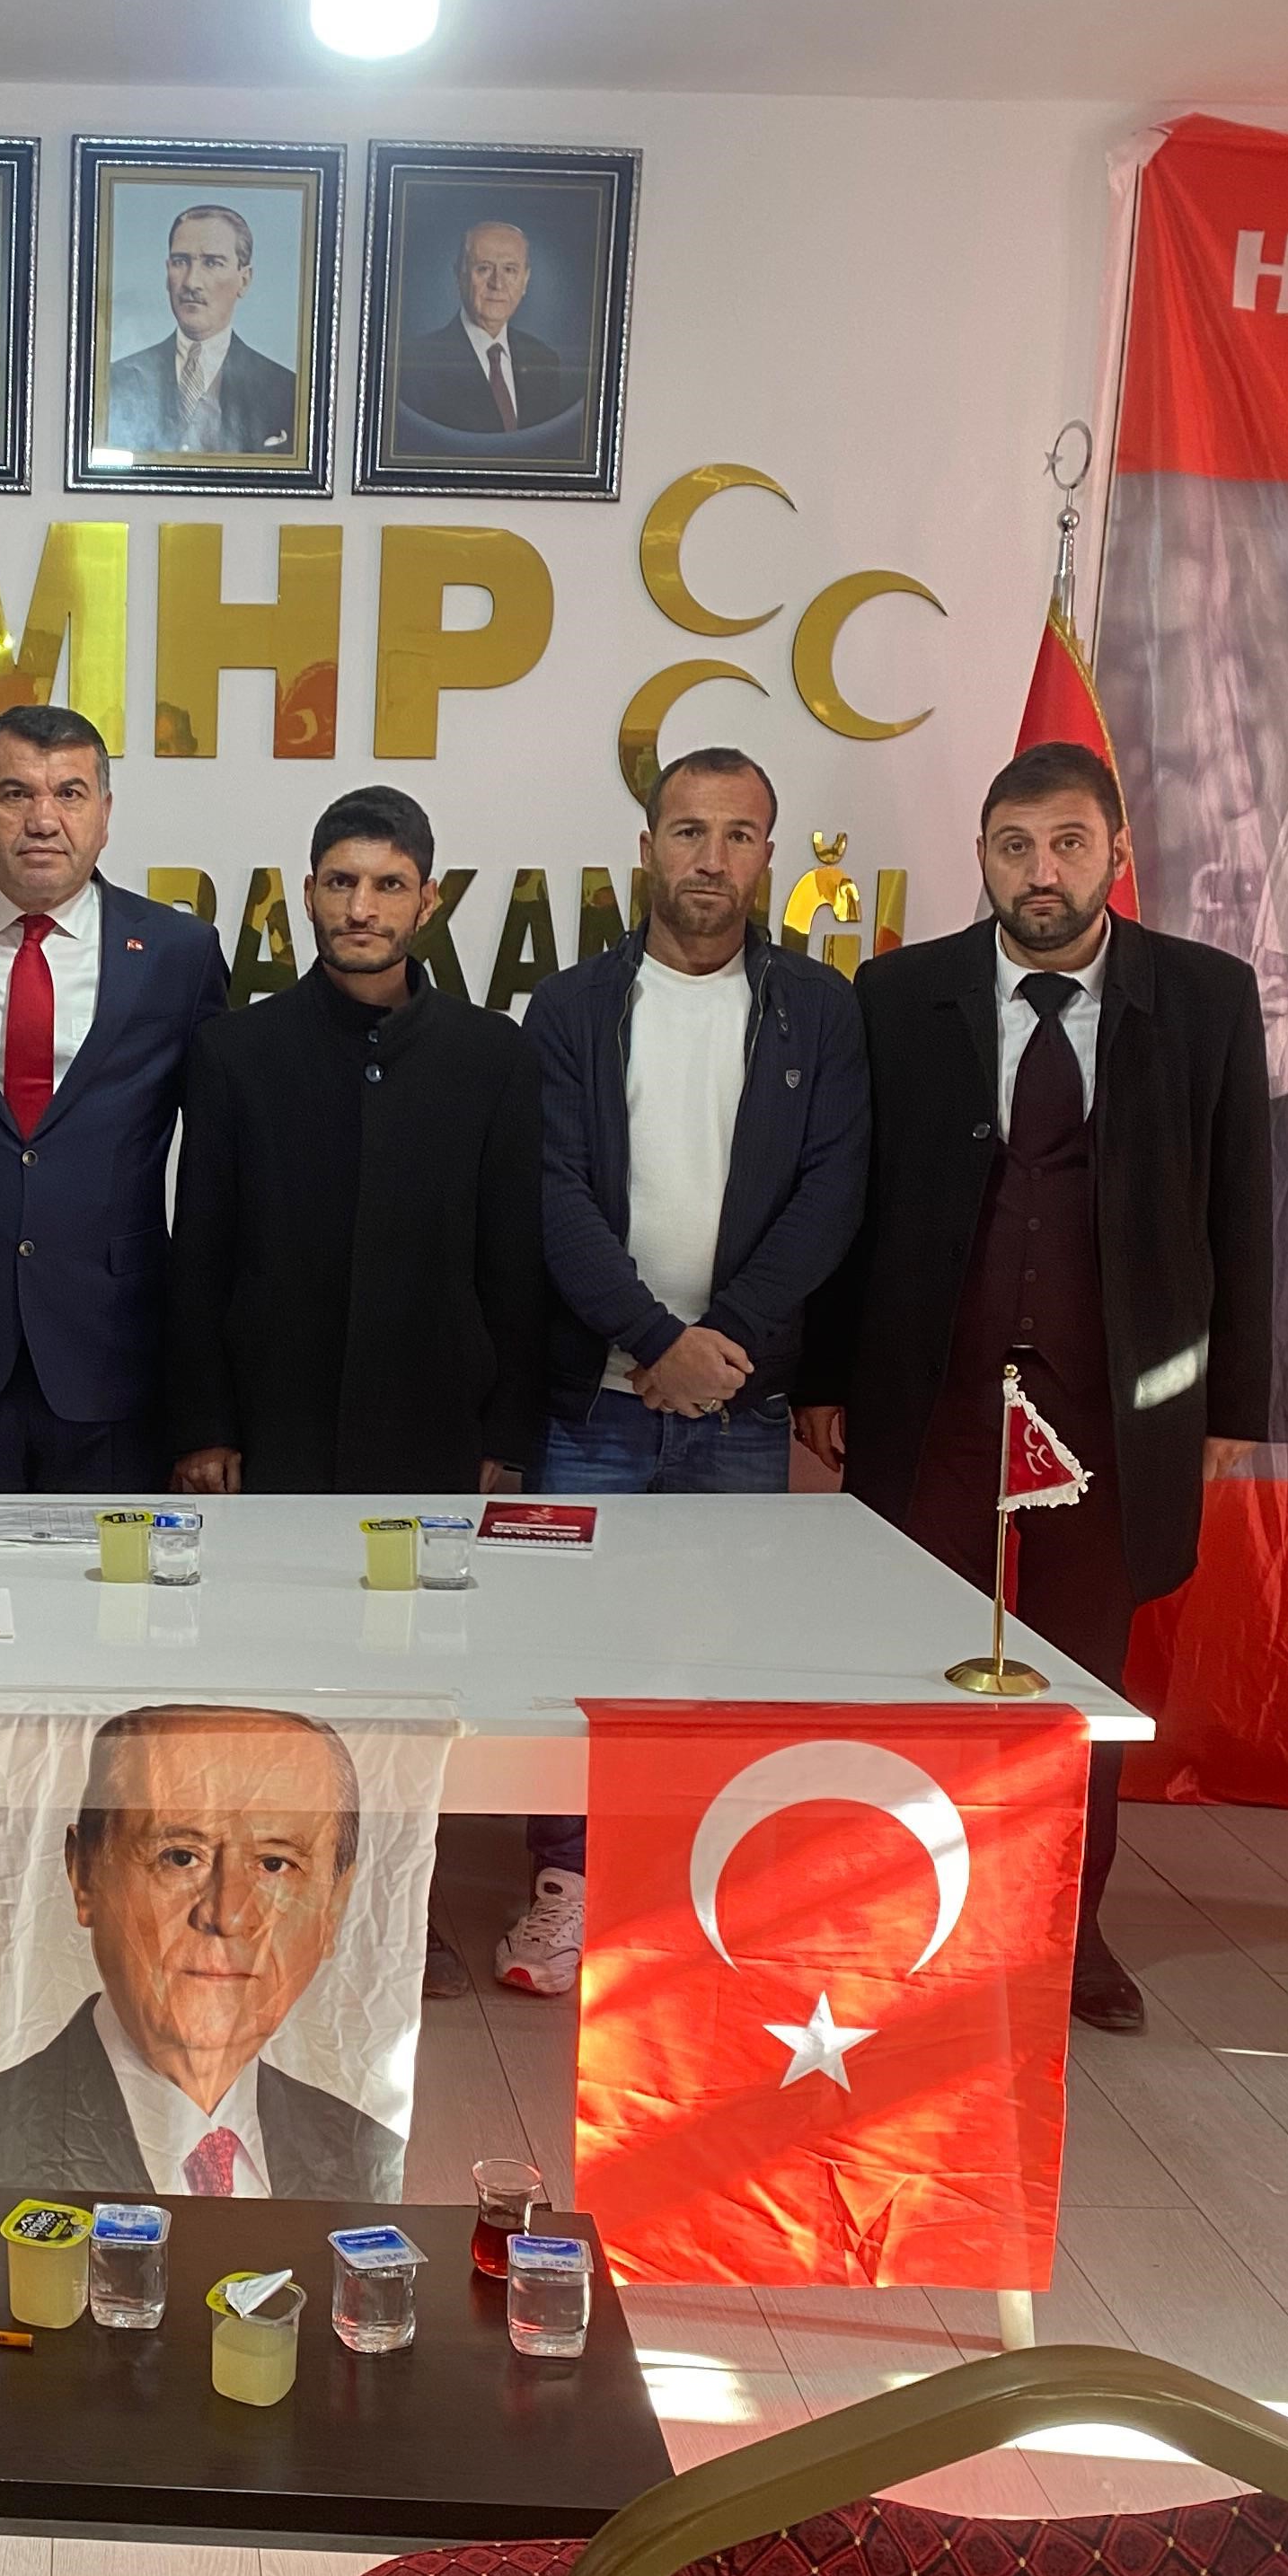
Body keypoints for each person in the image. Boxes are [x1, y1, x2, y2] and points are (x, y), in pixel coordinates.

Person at [798, 740, 1272, 2033]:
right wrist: (825, 1375)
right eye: (1016, 848)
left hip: (1113, 1409)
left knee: (1077, 1684)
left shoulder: (1206, 996)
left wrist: (1233, 1401)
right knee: (913, 1662)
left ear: (1117, 852)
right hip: (935, 1395)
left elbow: (1242, 1207)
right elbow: (853, 1201)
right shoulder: (900, 994)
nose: (1042, 872)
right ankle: (905, 1909)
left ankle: (1068, 1927)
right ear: (984, 860)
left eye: (1068, 844)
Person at [494, 745, 869, 1998]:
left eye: (738, 835)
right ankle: (567, 1885)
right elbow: (550, 1194)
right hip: (593, 1398)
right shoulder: (571, 1009)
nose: (711, 858)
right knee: (577, 1652)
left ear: (768, 854)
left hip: (740, 1402)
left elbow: (830, 1195)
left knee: (718, 1655)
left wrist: (719, 1349)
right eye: (689, 831)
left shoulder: (819, 1011)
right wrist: (655, 1340)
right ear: (647, 847)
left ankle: (692, 1891)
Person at [0, 701, 228, 1974]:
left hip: (112, 1349)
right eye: (16, 792)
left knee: (107, 1637)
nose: (43, 819)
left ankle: (104, 1895)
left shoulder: (175, 953)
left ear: (106, 814)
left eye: (70, 793)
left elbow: (220, 1147)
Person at [165, 783, 543, 2001]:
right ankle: (261, 1913)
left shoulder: (492, 1057)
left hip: (429, 1427)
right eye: (341, 882)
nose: (361, 907)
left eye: (387, 885)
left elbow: (514, 1261)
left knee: (403, 1688)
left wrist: (504, 1434)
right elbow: (200, 1251)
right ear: (308, 894)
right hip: (273, 1428)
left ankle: (392, 1918)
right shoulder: (238, 1051)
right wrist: (205, 1424)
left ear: (427, 900)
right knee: (270, 1680)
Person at [0, 1705, 400, 2197]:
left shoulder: (367, 2157)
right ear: (84, 1874)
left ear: (333, 1908)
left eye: (275, 1864)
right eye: (181, 1857)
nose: (227, 1914)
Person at [102, 205, 299, 459]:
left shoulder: (287, 391)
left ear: (244, 279)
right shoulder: (114, 381)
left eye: (212, 263)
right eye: (180, 262)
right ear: (167, 273)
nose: (191, 282)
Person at [396, 219, 582, 440]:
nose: (497, 283)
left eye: (510, 270)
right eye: (483, 268)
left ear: (525, 281)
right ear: (459, 275)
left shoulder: (544, 360)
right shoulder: (415, 363)